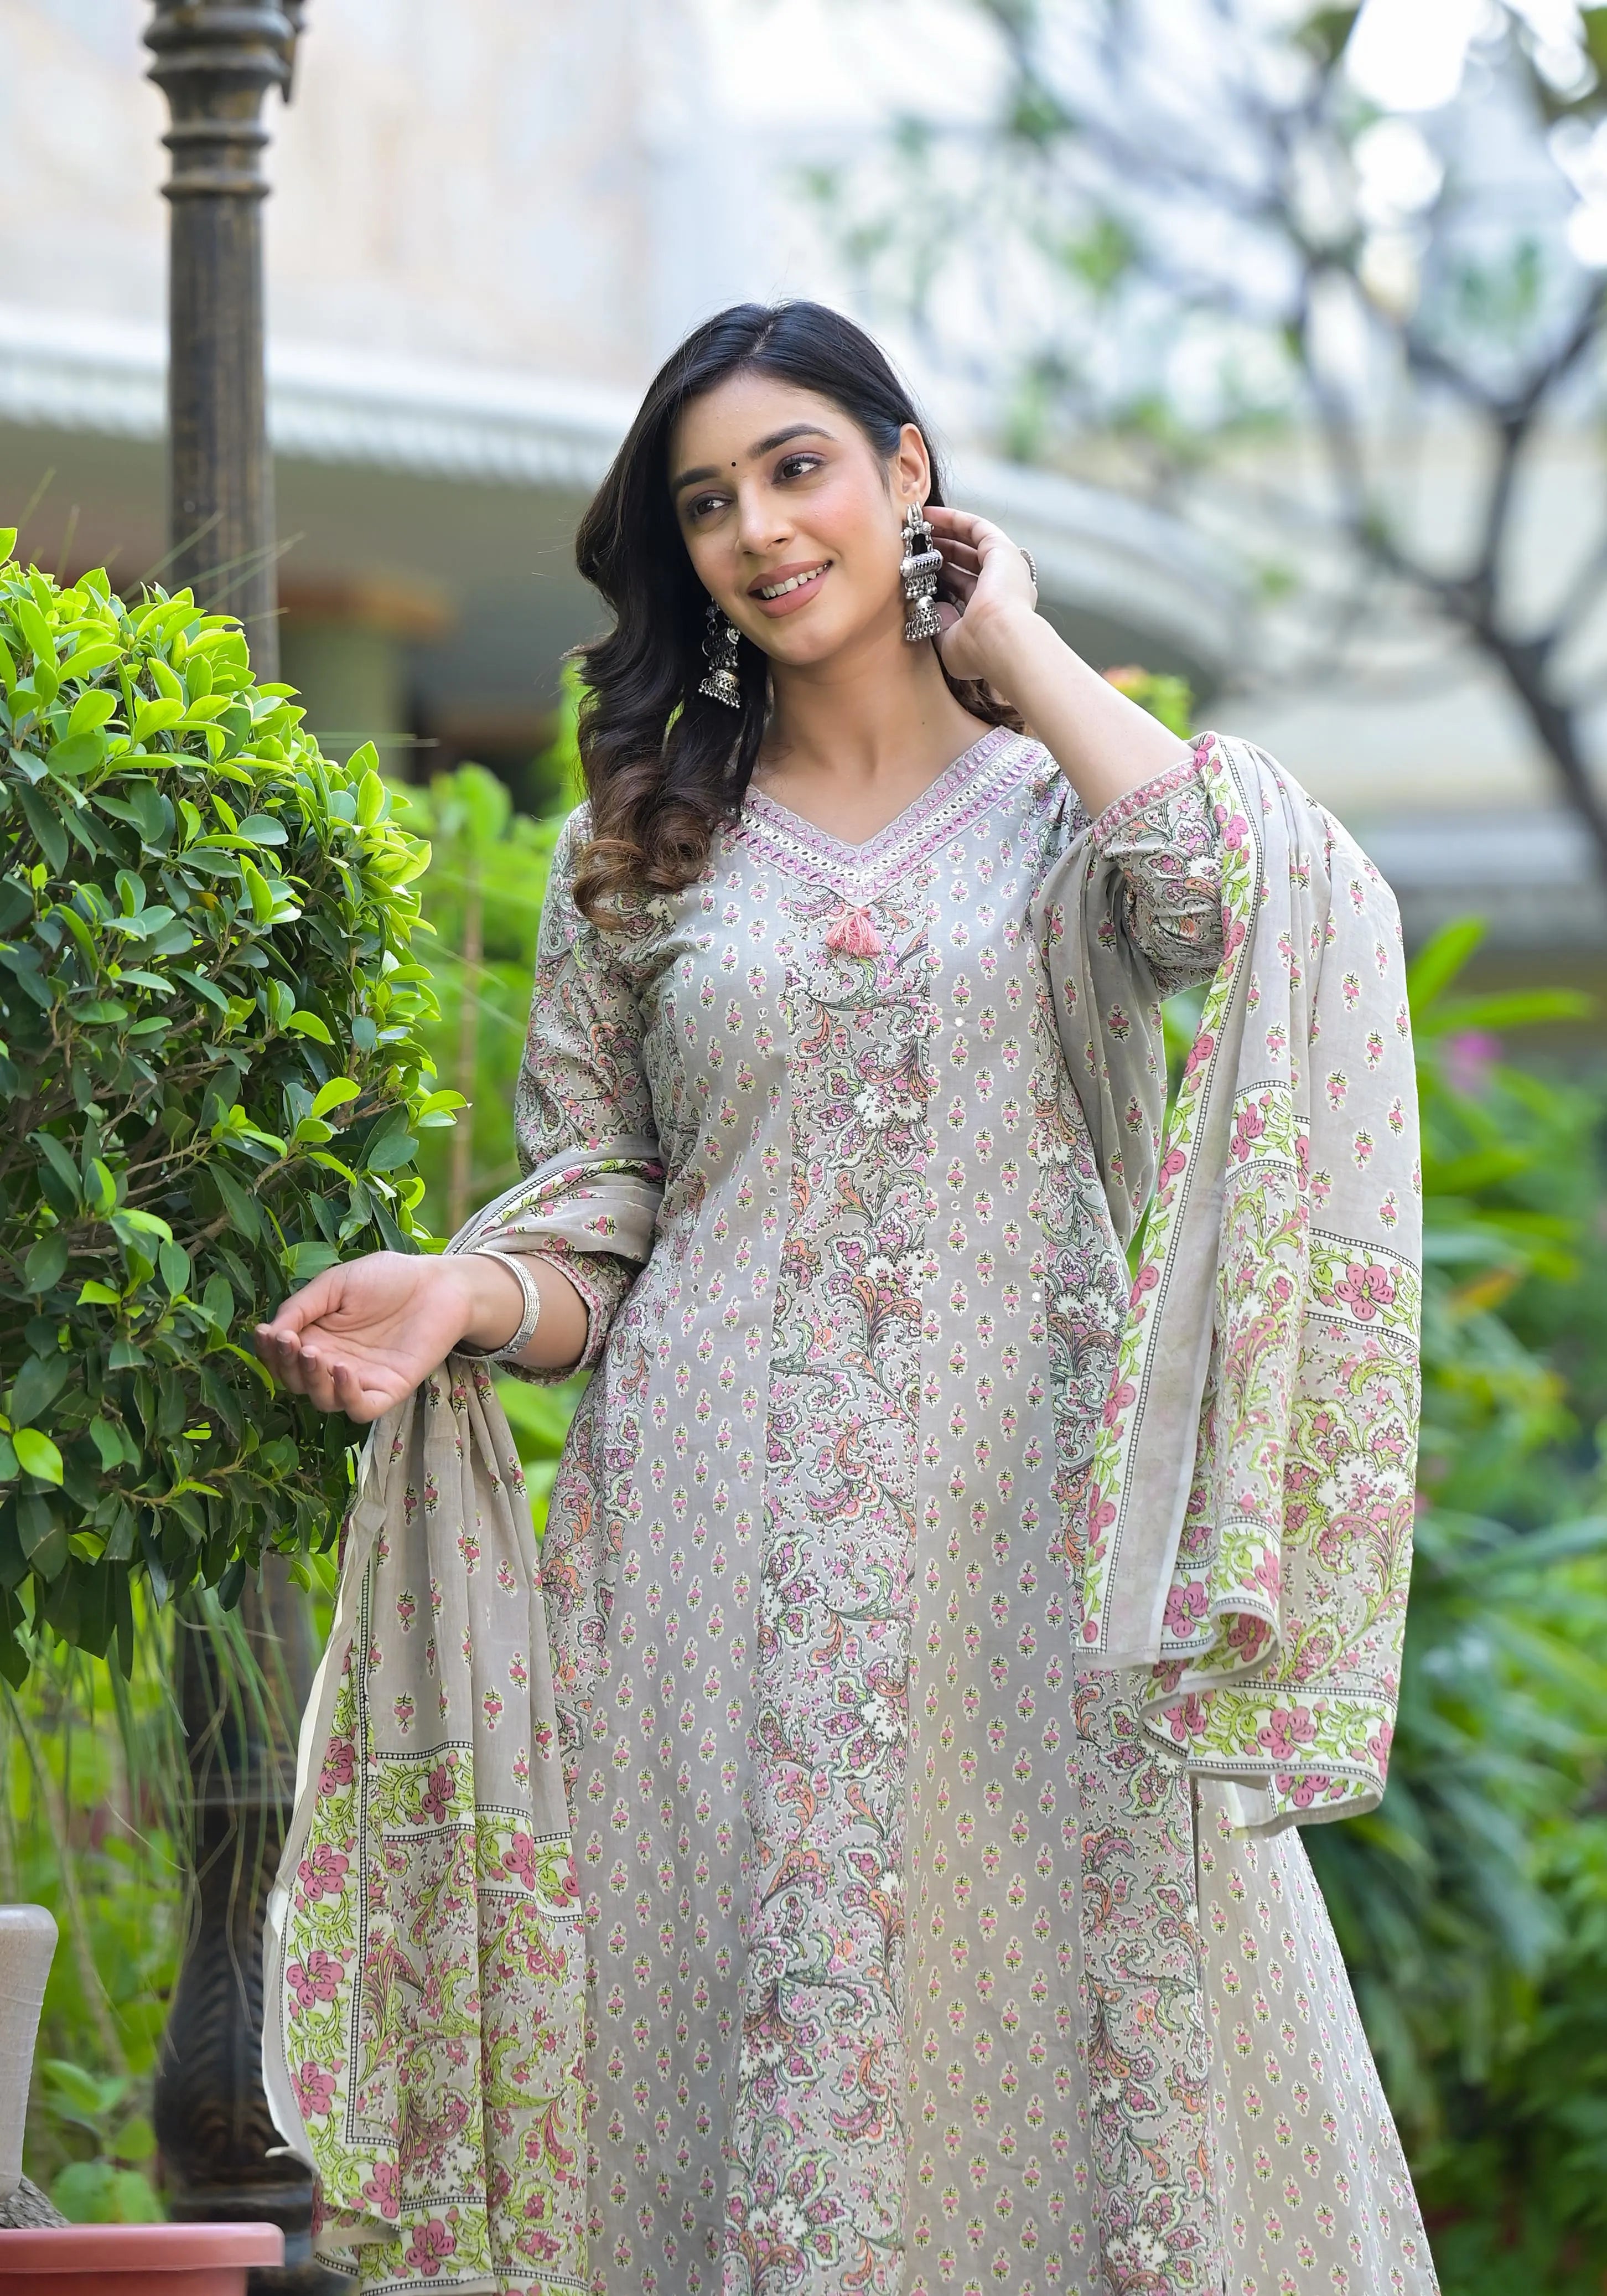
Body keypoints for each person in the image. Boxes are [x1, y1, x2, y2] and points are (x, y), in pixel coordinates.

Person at [257, 302, 1435, 2296]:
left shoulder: (1067, 796)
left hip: (1033, 1549)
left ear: (906, 474)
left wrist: (1024, 644)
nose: (757, 531)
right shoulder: (635, 850)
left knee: (1069, 2027)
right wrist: (469, 1291)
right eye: (706, 504)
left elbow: (1233, 910)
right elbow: (603, 1206)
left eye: (797, 468)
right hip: (703, 1554)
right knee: (708, 2036)